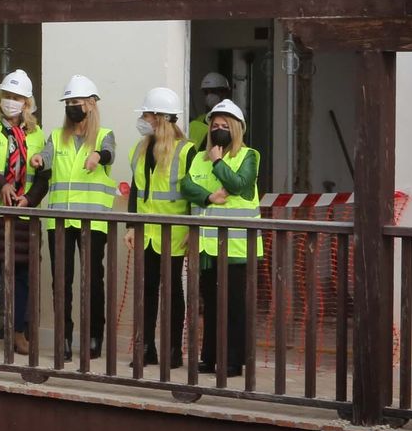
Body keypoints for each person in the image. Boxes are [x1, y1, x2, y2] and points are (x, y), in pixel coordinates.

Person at [181, 98, 261, 377]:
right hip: (207, 245)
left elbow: (239, 184)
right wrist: (208, 196)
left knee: (235, 306)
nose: (219, 129)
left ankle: (234, 360)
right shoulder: (199, 157)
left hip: (238, 246)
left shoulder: (248, 155)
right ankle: (210, 356)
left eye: (225, 125)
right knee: (211, 305)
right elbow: (186, 185)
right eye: (215, 125)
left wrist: (218, 162)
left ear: (237, 128)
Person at [38, 75, 116, 360]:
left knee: (92, 280)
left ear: (92, 104)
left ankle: (94, 337)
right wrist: (38, 160)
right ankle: (64, 340)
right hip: (59, 221)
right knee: (61, 282)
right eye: (69, 102)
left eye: (77, 102)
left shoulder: (104, 134)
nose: (72, 107)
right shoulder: (57, 137)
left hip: (92, 220)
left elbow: (109, 154)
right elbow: (45, 156)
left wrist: (98, 157)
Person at [128, 87, 196, 368]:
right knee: (146, 292)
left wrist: (194, 232)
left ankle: (172, 351)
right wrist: (131, 226)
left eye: (146, 114)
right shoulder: (141, 149)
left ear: (159, 117)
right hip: (145, 234)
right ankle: (145, 350)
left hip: (173, 235)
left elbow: (194, 195)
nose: (142, 119)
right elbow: (136, 191)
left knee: (172, 294)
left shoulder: (187, 151)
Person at [0, 70, 47, 356]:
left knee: (23, 276)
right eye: (7, 96)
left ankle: (19, 333)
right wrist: (1, 184)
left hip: (24, 214)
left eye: (18, 97)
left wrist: (29, 199)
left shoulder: (37, 133)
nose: (12, 102)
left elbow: (44, 175)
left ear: (27, 103)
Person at [189, 71, 232, 149]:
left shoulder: (234, 119)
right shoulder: (198, 121)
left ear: (224, 92)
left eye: (213, 91)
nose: (209, 96)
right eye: (206, 92)